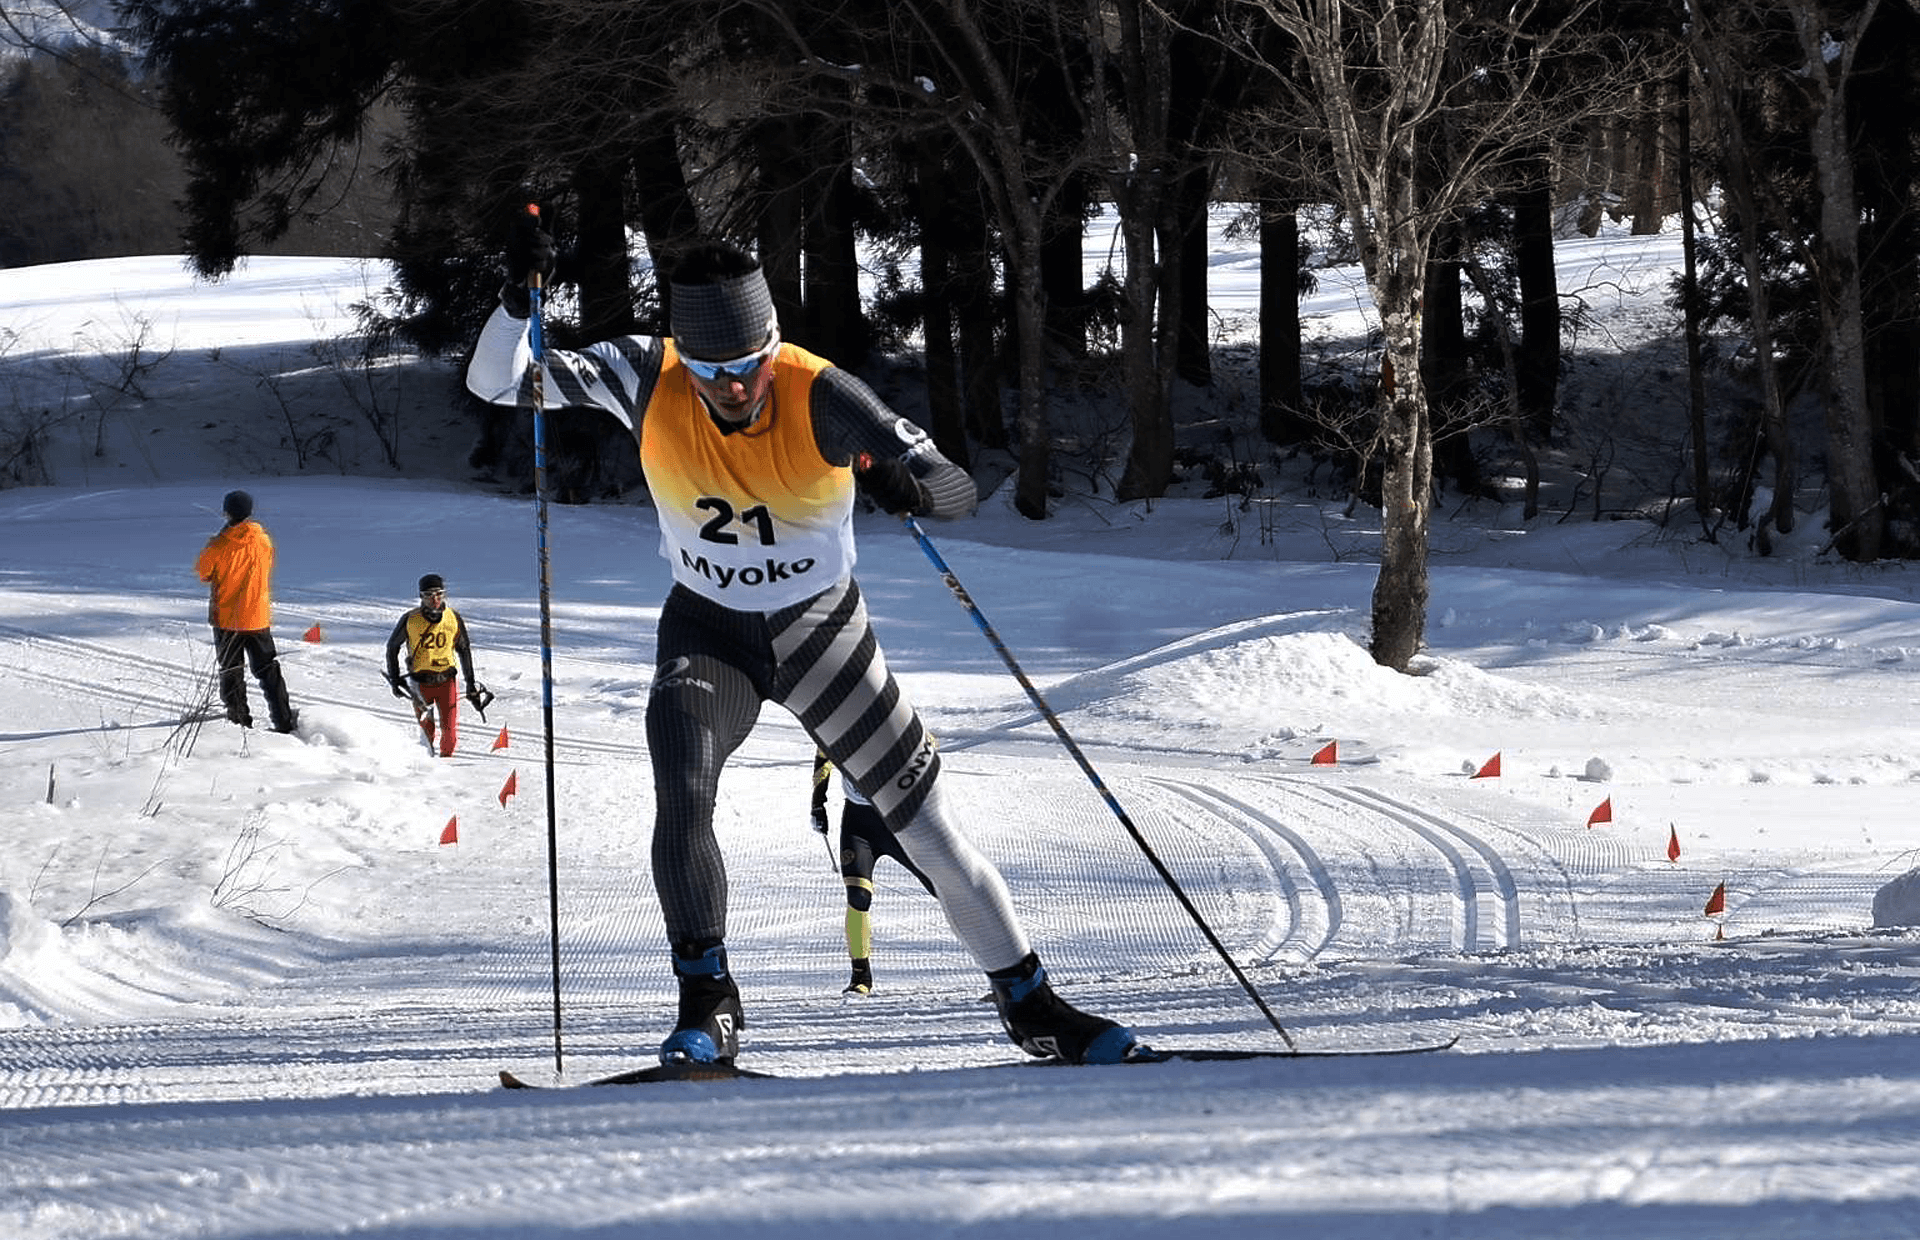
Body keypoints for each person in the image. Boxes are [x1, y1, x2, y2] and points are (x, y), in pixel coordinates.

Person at [465, 222, 1139, 1066]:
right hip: (708, 631)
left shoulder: (819, 391)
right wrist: (510, 306)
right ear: (686, 357)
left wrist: (909, 483)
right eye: (715, 373)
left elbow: (957, 489)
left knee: (926, 829)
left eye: (752, 364)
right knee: (682, 788)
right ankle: (709, 1006)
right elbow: (498, 384)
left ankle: (1032, 1004)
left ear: (772, 345)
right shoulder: (644, 373)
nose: (738, 387)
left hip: (821, 632)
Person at [810, 749, 938, 995]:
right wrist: (817, 803)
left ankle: (999, 970)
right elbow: (824, 756)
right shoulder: (838, 719)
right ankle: (860, 977)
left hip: (900, 821)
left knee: (943, 888)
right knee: (858, 896)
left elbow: (928, 748)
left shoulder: (890, 715)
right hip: (859, 824)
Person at [194, 489, 297, 733]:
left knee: (232, 671)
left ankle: (239, 722)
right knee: (268, 670)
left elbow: (203, 572)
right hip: (257, 616)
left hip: (228, 619)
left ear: (226, 512)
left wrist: (220, 539)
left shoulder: (218, 545)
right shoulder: (263, 540)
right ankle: (283, 719)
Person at [384, 574, 488, 758]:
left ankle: (447, 769)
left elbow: (464, 649)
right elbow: (392, 647)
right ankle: (429, 771)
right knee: (427, 733)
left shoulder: (453, 617)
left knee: (450, 735)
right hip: (420, 683)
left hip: (446, 681)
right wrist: (394, 678)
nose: (435, 599)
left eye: (439, 594)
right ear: (421, 596)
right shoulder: (411, 619)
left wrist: (470, 683)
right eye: (429, 594)